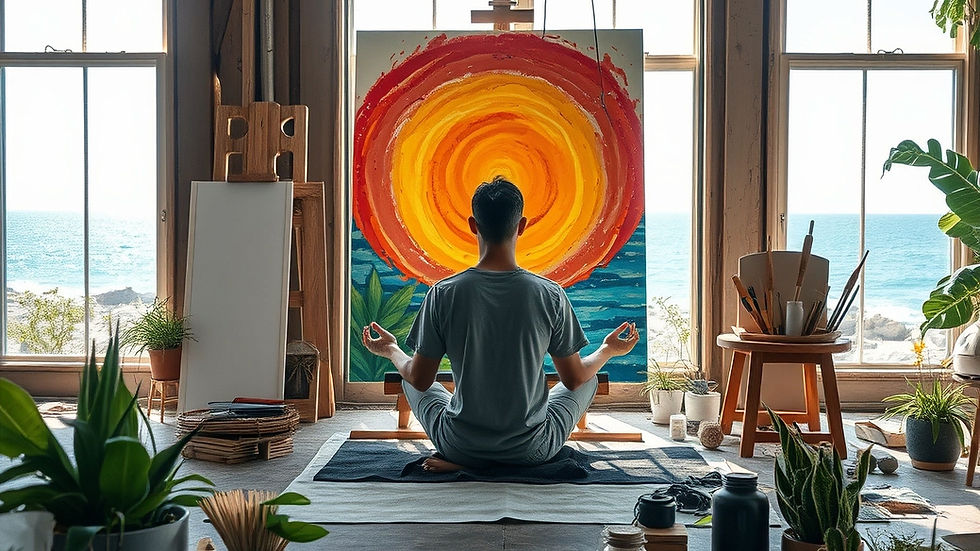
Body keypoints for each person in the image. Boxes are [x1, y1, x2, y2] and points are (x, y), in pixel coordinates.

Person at [361, 175, 639, 472]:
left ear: (473, 225)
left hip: (459, 446)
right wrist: (608, 350)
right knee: (589, 379)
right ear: (522, 226)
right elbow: (573, 379)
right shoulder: (550, 294)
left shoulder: (442, 293)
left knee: (409, 376)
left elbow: (420, 379)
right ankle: (499, 464)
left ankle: (469, 466)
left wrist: (391, 349)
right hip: (531, 450)